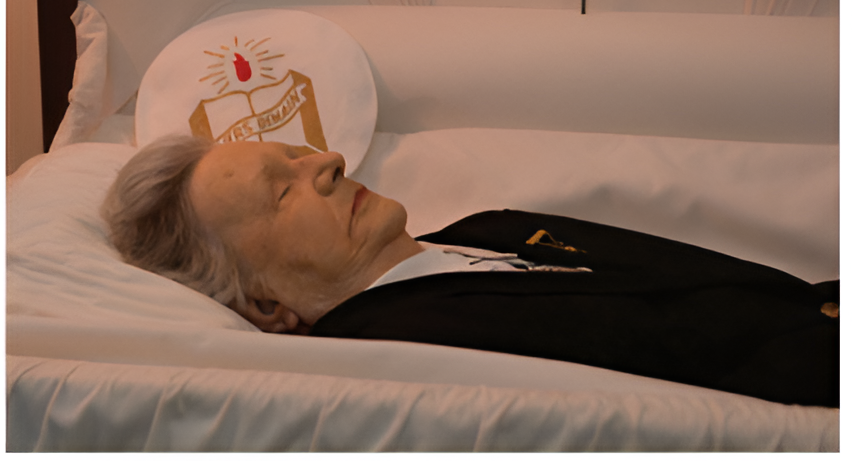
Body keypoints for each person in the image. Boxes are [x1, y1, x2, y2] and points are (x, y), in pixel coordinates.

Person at [102, 135, 839, 407]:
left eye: (299, 153)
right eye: (283, 189)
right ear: (265, 306)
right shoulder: (410, 358)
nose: (327, 161)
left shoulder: (482, 230)